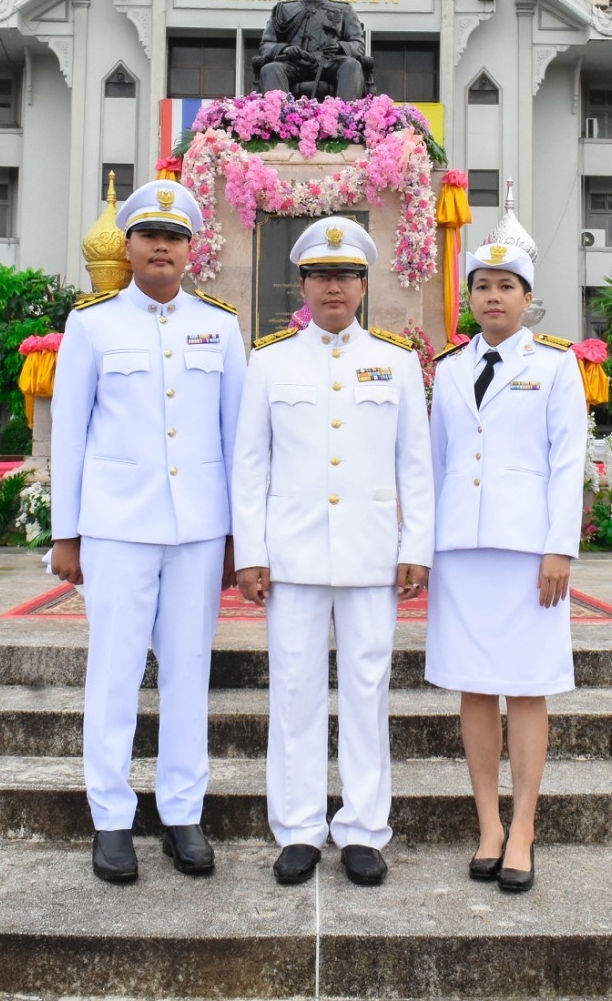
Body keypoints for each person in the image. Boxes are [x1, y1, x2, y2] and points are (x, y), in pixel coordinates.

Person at [48, 180, 246, 884]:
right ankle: (110, 817)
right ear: (128, 247)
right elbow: (69, 433)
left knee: (190, 670)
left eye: (174, 237)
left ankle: (183, 812)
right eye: (150, 236)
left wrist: (240, 539)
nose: (162, 247)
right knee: (115, 671)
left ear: (192, 250)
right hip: (116, 527)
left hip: (198, 529)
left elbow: (237, 438)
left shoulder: (220, 326)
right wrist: (65, 534)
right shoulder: (92, 324)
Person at [231, 216, 433, 887]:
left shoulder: (397, 362)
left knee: (368, 691)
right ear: (304, 285)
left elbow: (416, 466)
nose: (333, 287)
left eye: (346, 275)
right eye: (320, 275)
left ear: (364, 284)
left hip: (372, 555)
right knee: (294, 689)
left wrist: (417, 546)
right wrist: (251, 552)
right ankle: (297, 828)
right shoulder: (271, 360)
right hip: (292, 555)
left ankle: (364, 829)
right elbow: (250, 465)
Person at [425, 239, 586, 893]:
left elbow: (568, 459)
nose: (493, 296)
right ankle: (488, 824)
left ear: (527, 298)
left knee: (524, 687)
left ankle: (524, 828)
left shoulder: (555, 365)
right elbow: (436, 462)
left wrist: (559, 547)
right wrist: (424, 548)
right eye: (482, 285)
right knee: (473, 687)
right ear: (469, 296)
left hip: (526, 553)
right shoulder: (449, 368)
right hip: (461, 549)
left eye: (506, 285)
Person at [254, 0, 371, 99]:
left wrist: (340, 46)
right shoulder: (282, 10)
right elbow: (266, 45)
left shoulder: (344, 9)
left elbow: (358, 45)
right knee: (270, 69)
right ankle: (281, 112)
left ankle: (344, 112)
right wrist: (285, 49)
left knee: (352, 65)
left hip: (330, 62)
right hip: (294, 64)